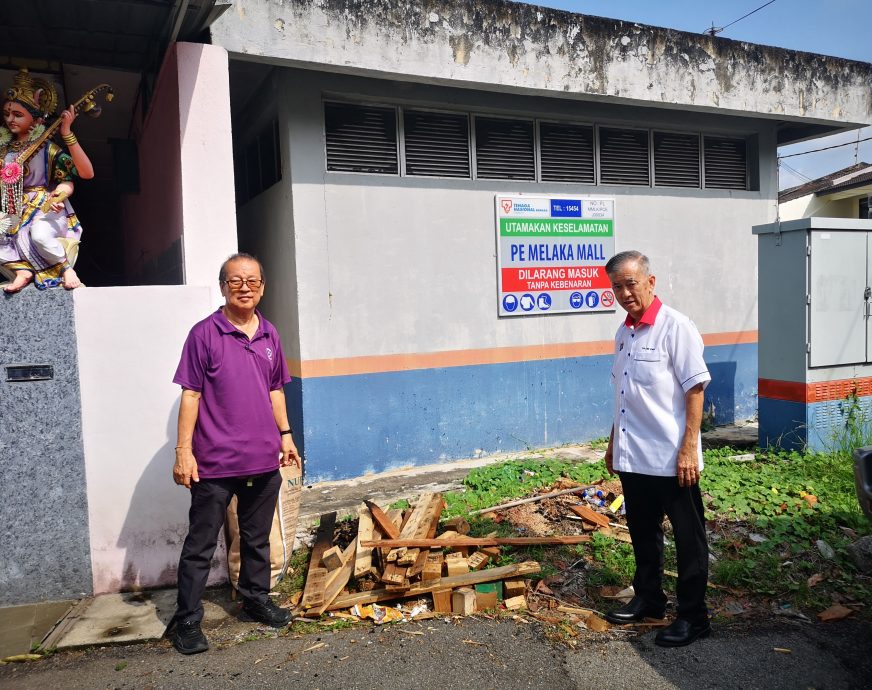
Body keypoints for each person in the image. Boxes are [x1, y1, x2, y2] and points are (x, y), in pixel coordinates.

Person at [168, 253, 301, 655]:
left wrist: (287, 435)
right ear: (224, 286)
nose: (245, 287)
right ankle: (187, 621)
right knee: (201, 545)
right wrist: (183, 452)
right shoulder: (204, 334)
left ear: (262, 286)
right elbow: (190, 394)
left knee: (256, 539)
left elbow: (275, 389)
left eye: (253, 281)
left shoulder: (270, 334)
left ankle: (255, 600)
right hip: (215, 463)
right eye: (235, 281)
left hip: (263, 459)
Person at [602, 250, 712, 647]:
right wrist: (615, 443)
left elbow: (695, 389)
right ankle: (649, 598)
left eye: (631, 283)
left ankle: (694, 617)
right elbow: (624, 393)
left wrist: (689, 450)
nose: (625, 292)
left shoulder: (675, 327)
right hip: (634, 457)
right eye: (617, 286)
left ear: (650, 282)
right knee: (642, 532)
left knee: (689, 538)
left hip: (671, 459)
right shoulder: (624, 333)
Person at [0, 68, 95, 292]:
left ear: (35, 117)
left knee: (40, 235)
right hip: (12, 206)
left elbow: (84, 174)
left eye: (17, 114)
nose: (10, 119)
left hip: (43, 204)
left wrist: (67, 133)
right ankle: (21, 270)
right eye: (7, 113)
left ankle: (65, 269)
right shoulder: (3, 150)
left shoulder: (46, 148)